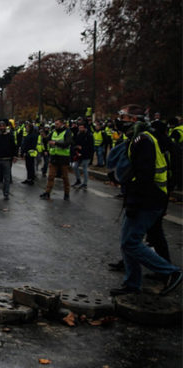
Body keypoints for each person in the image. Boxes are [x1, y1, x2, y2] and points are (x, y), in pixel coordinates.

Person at [109, 104, 181, 297]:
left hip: (148, 199)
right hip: (146, 197)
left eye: (123, 117)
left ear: (134, 120)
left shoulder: (143, 140)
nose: (119, 121)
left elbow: (145, 175)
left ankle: (170, 272)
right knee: (127, 242)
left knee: (131, 242)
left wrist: (134, 201)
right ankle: (132, 284)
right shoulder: (137, 138)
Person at [39, 118, 73, 200]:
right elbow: (47, 139)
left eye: (57, 124)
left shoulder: (67, 132)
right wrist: (43, 136)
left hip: (63, 158)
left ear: (62, 124)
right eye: (55, 124)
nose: (56, 125)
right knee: (51, 176)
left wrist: (55, 143)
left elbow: (68, 143)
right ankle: (47, 193)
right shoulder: (53, 131)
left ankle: (67, 194)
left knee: (65, 177)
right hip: (54, 157)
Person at [72, 122, 94, 190]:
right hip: (79, 154)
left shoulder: (89, 135)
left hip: (86, 154)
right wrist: (76, 148)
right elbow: (75, 142)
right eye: (79, 127)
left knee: (84, 168)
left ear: (85, 128)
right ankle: (78, 180)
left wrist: (83, 148)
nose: (80, 129)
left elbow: (91, 146)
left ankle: (85, 183)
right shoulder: (78, 134)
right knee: (75, 166)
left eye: (81, 128)